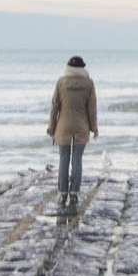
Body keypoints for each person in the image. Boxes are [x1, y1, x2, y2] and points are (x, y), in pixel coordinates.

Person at [47, 55, 98, 215]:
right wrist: (94, 127)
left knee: (63, 160)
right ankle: (74, 194)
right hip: (81, 126)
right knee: (77, 160)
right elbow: (92, 109)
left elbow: (55, 106)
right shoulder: (89, 83)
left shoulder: (61, 82)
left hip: (63, 126)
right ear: (83, 68)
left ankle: (62, 194)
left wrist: (51, 127)